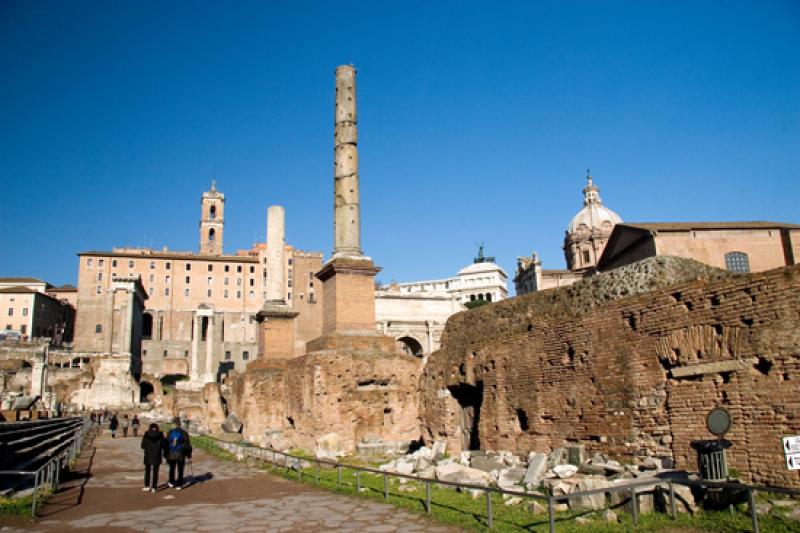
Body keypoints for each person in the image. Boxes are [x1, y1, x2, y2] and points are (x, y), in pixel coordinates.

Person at [165, 418, 192, 489]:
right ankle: (179, 484)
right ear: (180, 424)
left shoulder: (170, 432)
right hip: (180, 453)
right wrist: (189, 455)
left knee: (172, 468)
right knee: (180, 469)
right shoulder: (184, 432)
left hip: (171, 453)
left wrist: (165, 454)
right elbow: (187, 445)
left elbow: (166, 444)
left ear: (174, 424)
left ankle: (171, 482)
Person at [141, 423, 166, 493]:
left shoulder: (146, 434)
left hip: (148, 454)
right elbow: (164, 445)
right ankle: (154, 487)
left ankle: (147, 486)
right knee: (155, 472)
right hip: (157, 455)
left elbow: (143, 446)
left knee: (147, 471)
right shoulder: (160, 435)